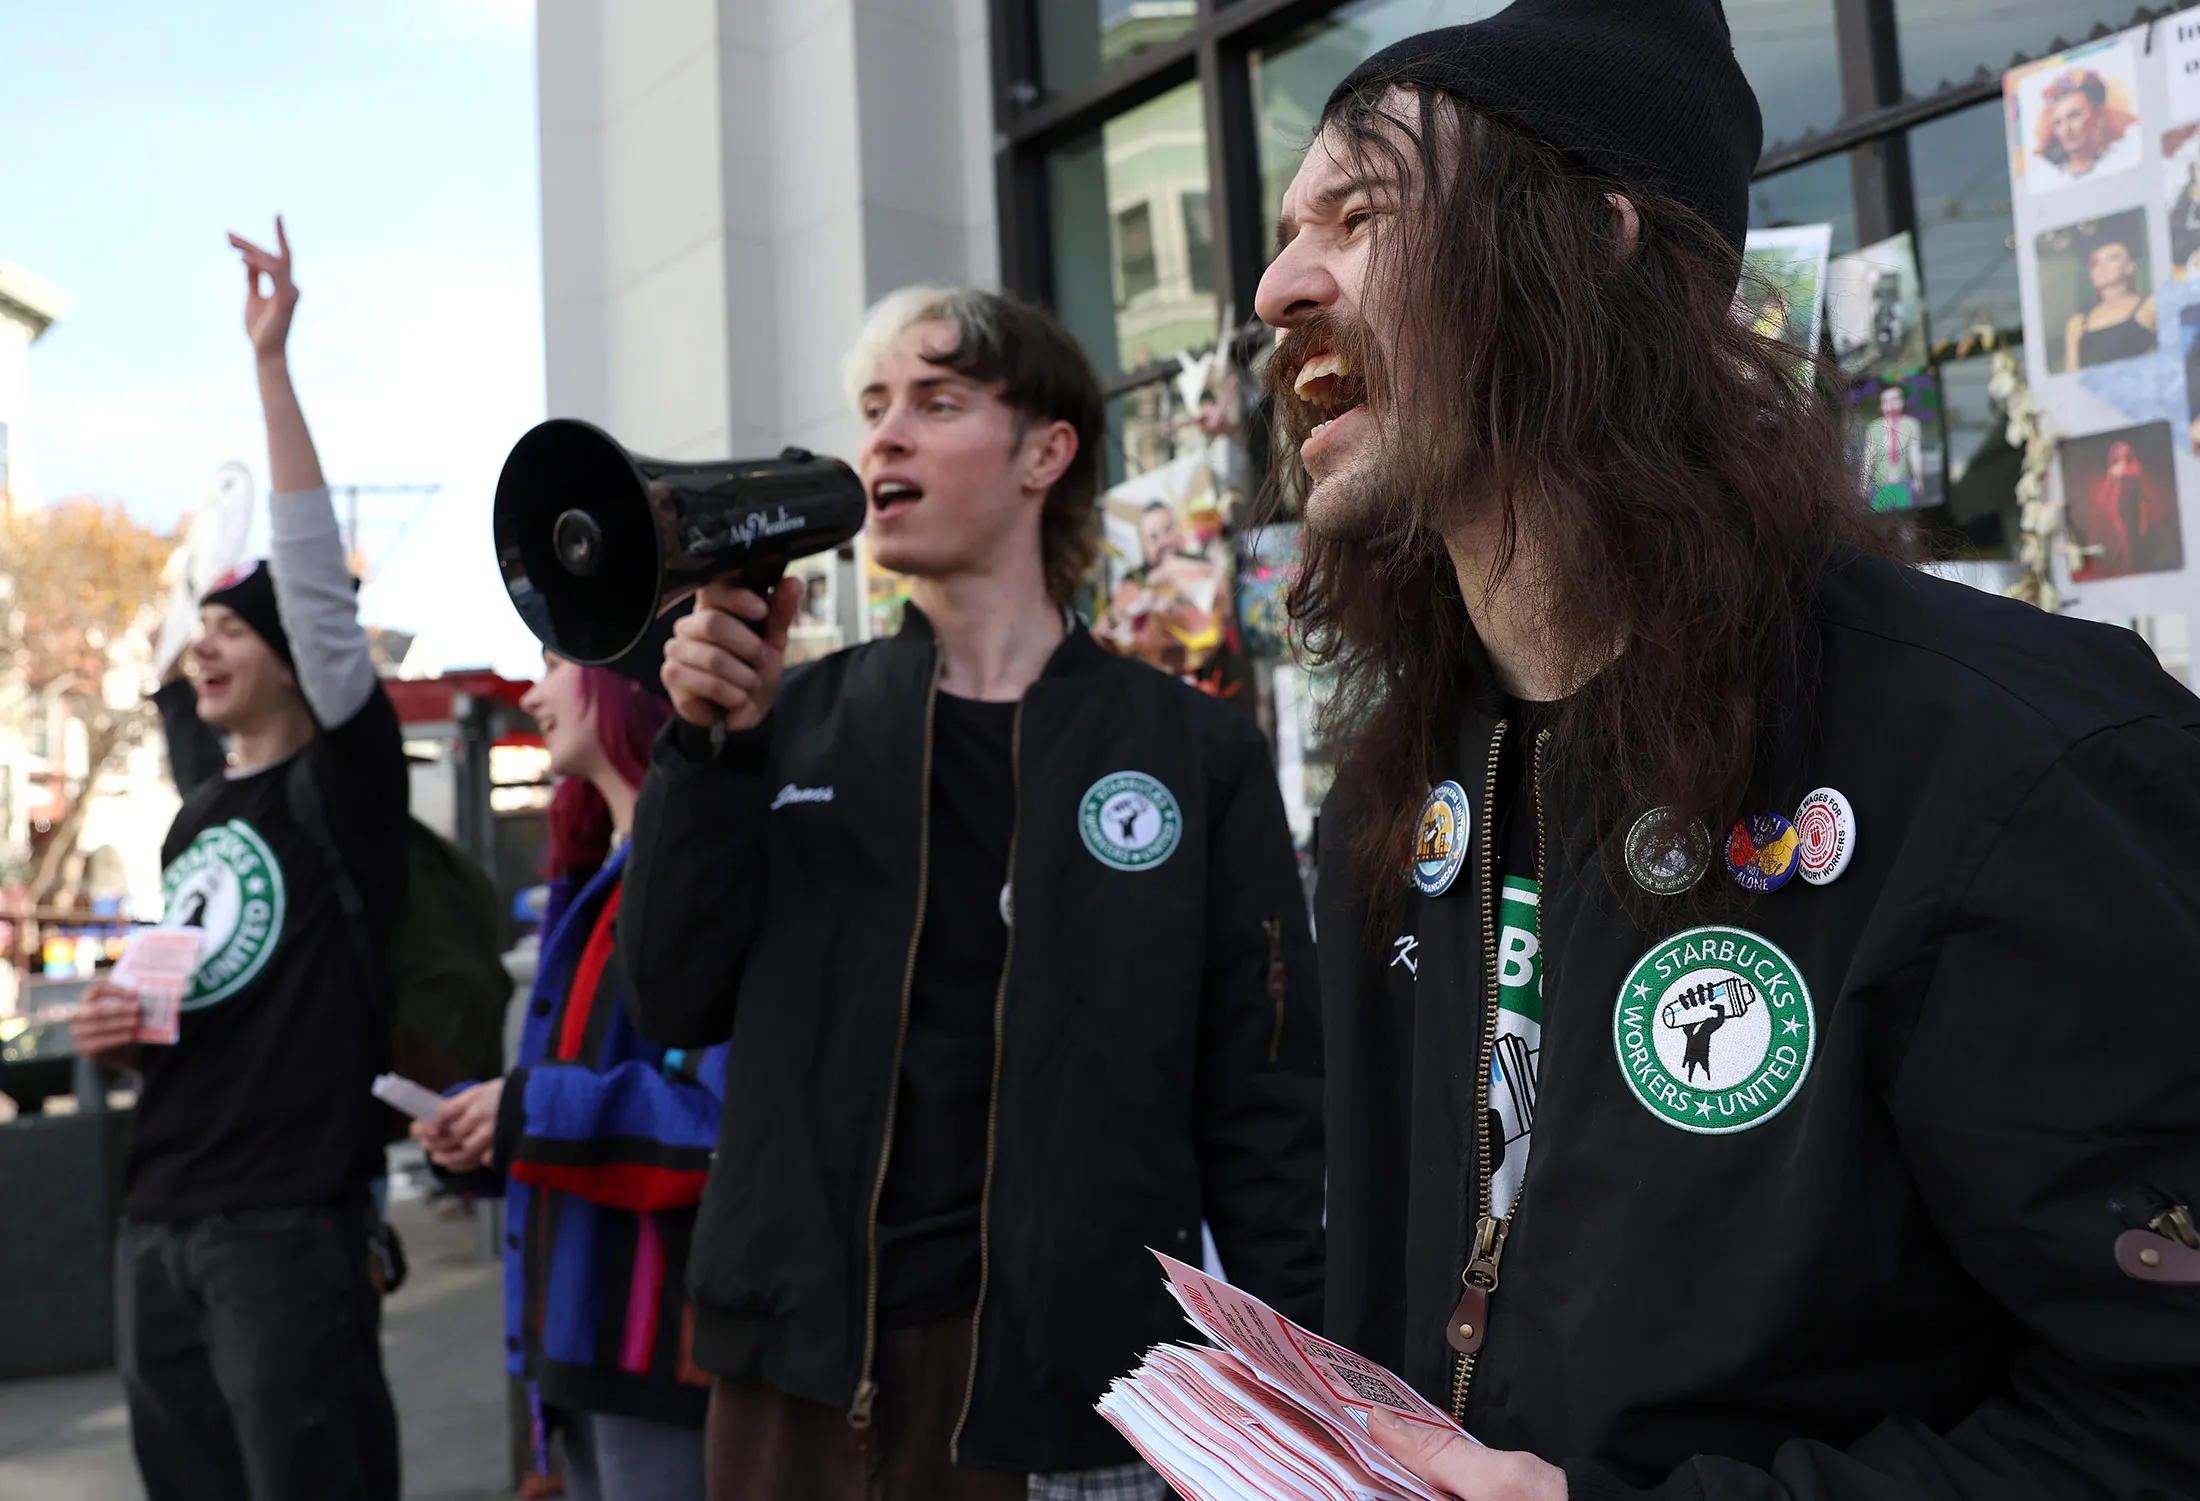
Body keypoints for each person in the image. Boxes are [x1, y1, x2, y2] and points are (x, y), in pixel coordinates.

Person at [1256, 1, 2200, 1497]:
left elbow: (2161, 1414)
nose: (1275, 286)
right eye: (1287, 230)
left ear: (1592, 236)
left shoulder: (2012, 755)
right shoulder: (1393, 792)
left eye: (1359, 216)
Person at [619, 285, 1324, 1500]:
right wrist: (703, 754)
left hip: (1079, 1389)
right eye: (873, 406)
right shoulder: (791, 722)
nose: (883, 435)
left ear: (1046, 450)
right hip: (799, 1377)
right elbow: (674, 999)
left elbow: (1264, 1107)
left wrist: (1306, 1394)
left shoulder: (1188, 751)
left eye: (935, 402)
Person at [69, 219, 406, 1501]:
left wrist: (271, 368)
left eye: (231, 631)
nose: (204, 648)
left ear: (292, 663)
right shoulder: (198, 812)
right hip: (156, 1220)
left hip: (285, 1227)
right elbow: (198, 997)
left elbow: (317, 594)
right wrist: (120, 1024)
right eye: (199, 629)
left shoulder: (344, 783)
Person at [415, 644, 723, 1501]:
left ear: (628, 688)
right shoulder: (593, 877)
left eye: (556, 664)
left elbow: (716, 1125)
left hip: (660, 1358)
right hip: (587, 1349)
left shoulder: (693, 878)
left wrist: (522, 1108)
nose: (534, 690)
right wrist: (485, 1127)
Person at [2071, 436, 2183, 581]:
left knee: (2136, 532)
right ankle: (2124, 555)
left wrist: (2145, 507)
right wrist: (2102, 500)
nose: (2123, 456)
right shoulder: (2112, 471)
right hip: (2116, 504)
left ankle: (2133, 556)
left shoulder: (2136, 467)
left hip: (2133, 504)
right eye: (2120, 454)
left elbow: (2141, 489)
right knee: (2119, 531)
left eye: (2126, 453)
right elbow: (2106, 489)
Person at [2061, 238, 2155, 371]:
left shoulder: (2150, 307)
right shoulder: (2077, 324)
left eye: (2112, 258)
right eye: (2096, 262)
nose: (2102, 266)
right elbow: (2072, 378)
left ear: (2130, 267)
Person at [2035, 67, 2138, 183]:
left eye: (2074, 116)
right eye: (2058, 123)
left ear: (2098, 115)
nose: (2066, 129)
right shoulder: (2047, 176)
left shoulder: (2125, 157)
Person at [1858, 383, 1924, 511]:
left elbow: (1915, 454)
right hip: (1879, 487)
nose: (1890, 405)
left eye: (1895, 400)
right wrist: (1863, 484)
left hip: (1903, 485)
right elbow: (1868, 457)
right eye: (1885, 401)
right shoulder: (1874, 427)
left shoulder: (1912, 424)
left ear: (1902, 402)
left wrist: (1918, 479)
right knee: (1881, 526)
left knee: (1905, 525)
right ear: (1880, 405)